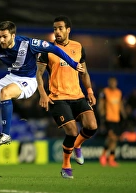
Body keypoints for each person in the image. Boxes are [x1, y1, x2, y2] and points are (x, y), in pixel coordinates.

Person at [36, 15, 98, 179]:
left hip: (77, 95)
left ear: (68, 30)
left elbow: (84, 72)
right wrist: (42, 93)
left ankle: (77, 146)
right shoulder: (47, 49)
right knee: (72, 131)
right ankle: (66, 166)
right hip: (58, 98)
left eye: (60, 28)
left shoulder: (78, 47)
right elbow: (39, 74)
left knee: (92, 126)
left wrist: (89, 91)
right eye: (55, 28)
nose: (57, 31)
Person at [98, 77, 126, 167]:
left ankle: (109, 158)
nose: (113, 84)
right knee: (112, 137)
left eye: (114, 82)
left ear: (116, 83)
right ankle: (106, 157)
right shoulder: (105, 92)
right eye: (111, 82)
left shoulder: (119, 92)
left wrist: (124, 115)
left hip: (116, 119)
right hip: (108, 118)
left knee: (113, 140)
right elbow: (101, 104)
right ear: (109, 83)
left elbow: (120, 105)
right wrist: (101, 115)